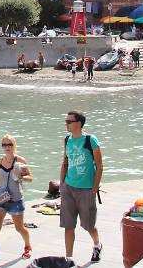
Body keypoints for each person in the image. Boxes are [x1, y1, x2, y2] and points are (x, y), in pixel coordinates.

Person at [60, 110, 103, 264]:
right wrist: (62, 185)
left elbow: (99, 165)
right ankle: (69, 258)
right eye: (66, 121)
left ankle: (97, 244)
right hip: (69, 188)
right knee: (68, 225)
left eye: (69, 121)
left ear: (78, 123)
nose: (66, 124)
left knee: (88, 225)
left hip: (86, 189)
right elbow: (65, 162)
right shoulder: (67, 140)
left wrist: (94, 188)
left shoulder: (91, 140)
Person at [0, 134, 33, 268]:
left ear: (14, 145)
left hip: (15, 199)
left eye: (9, 145)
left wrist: (20, 176)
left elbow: (30, 178)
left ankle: (27, 245)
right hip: (1, 198)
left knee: (19, 227)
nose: (7, 147)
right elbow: (0, 178)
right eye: (4, 145)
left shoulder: (20, 161)